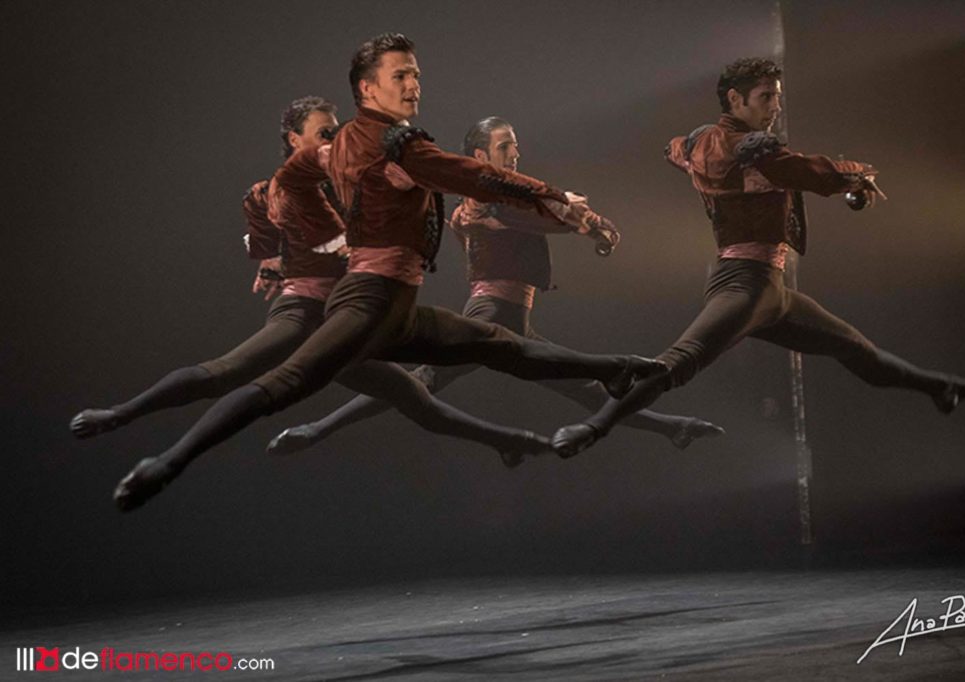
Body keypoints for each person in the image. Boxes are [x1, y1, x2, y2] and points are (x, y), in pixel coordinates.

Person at [112, 33, 664, 511]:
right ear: (367, 89)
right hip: (370, 301)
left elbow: (296, 177)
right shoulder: (399, 145)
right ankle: (165, 464)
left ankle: (620, 368)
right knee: (283, 383)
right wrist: (553, 195)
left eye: (416, 74)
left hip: (396, 304)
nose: (413, 84)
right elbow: (475, 177)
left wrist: (306, 237)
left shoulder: (341, 145)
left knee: (499, 345)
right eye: (400, 75)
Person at [71, 95, 552, 469]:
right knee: (225, 372)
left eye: (335, 134)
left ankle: (510, 442)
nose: (333, 142)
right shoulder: (265, 194)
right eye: (323, 134)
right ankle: (122, 414)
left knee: (415, 398)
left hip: (345, 319)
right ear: (292, 139)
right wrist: (274, 265)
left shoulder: (350, 184)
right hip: (304, 313)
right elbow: (267, 244)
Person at [552, 57, 965, 456]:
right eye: (765, 97)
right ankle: (592, 429)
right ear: (735, 100)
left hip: (771, 290)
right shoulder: (750, 148)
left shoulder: (714, 144)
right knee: (677, 362)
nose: (775, 105)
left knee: (855, 349)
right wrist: (856, 176)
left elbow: (677, 150)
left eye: (776, 95)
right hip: (745, 285)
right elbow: (805, 171)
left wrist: (843, 185)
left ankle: (938, 386)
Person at [268, 116, 723, 455]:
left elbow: (540, 217)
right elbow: (539, 217)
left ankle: (670, 426)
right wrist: (589, 225)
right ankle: (317, 429)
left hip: (511, 316)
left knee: (579, 388)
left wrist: (588, 227)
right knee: (420, 384)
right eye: (506, 147)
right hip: (489, 313)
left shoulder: (491, 203)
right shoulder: (487, 203)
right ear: (480, 157)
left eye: (516, 146)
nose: (515, 154)